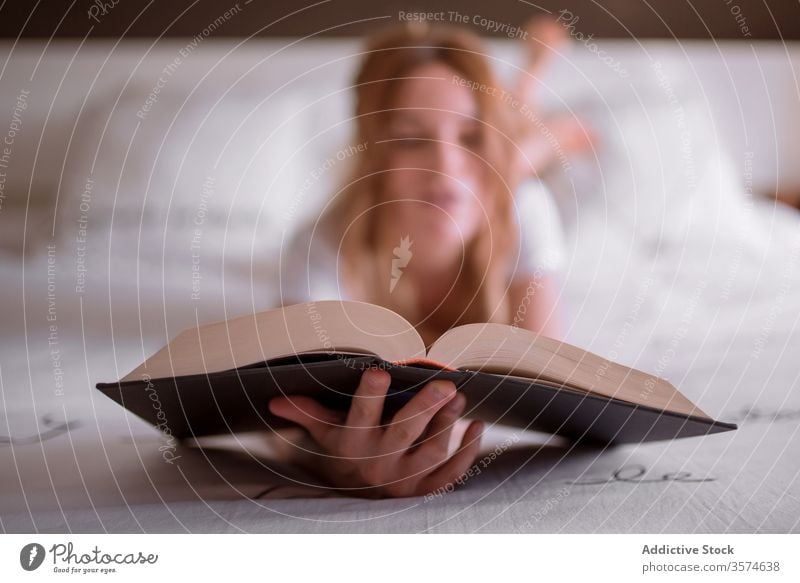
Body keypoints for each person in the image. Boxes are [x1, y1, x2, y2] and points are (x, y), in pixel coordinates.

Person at [268, 22, 575, 498]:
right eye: (410, 139)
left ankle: (537, 77)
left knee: (538, 143)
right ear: (375, 151)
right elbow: (287, 420)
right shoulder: (319, 248)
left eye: (471, 137)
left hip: (510, 171)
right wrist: (335, 464)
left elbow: (555, 382)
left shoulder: (522, 207)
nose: (445, 167)